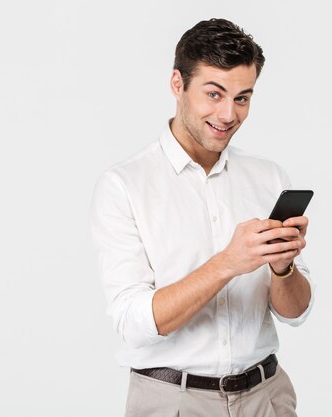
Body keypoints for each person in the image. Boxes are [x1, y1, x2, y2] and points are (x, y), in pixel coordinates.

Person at [90, 18, 315, 417]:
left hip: (266, 396)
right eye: (214, 94)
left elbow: (295, 314)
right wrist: (228, 263)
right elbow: (135, 322)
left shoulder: (269, 177)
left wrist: (283, 270)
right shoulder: (124, 185)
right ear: (177, 84)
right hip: (171, 401)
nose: (228, 114)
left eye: (242, 98)